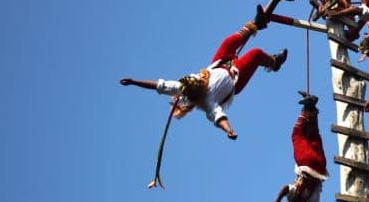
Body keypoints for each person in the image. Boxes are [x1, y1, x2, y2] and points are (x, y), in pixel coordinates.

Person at [120, 18, 287, 139]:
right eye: (199, 82)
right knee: (255, 53)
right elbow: (218, 116)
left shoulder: (180, 86)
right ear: (197, 92)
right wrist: (228, 130)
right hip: (235, 78)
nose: (200, 79)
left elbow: (159, 85)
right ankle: (274, 62)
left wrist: (134, 82)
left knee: (228, 42)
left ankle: (255, 25)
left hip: (219, 63)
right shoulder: (207, 101)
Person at [272, 91, 336, 202]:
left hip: (321, 167)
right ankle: (306, 108)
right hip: (307, 164)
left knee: (314, 136)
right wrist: (278, 200)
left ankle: (312, 108)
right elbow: (286, 188)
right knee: (297, 135)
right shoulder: (295, 201)